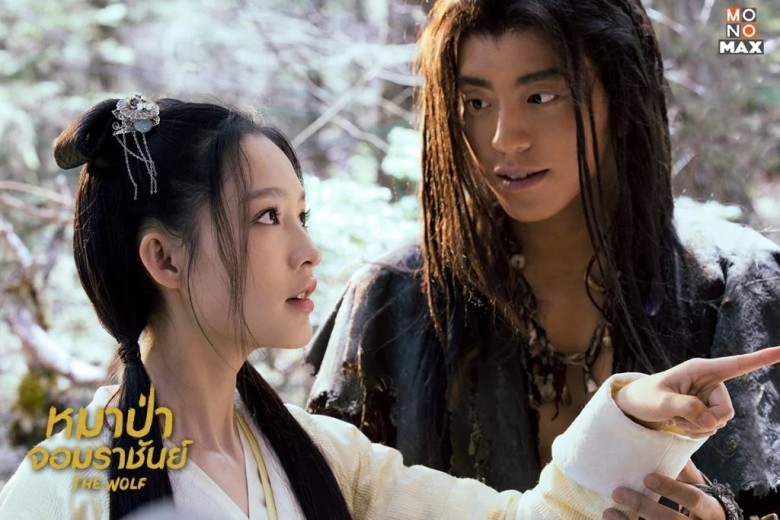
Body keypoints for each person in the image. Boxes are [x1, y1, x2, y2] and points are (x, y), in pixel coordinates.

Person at [0, 94, 775, 520]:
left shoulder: (324, 459)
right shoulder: (57, 493)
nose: (308, 251)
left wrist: (634, 415)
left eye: (302, 216)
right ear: (165, 258)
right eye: (267, 217)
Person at [305, 0, 780, 518]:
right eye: (476, 102)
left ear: (620, 94)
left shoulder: (739, 289)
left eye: (541, 96)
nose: (504, 138)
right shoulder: (390, 302)